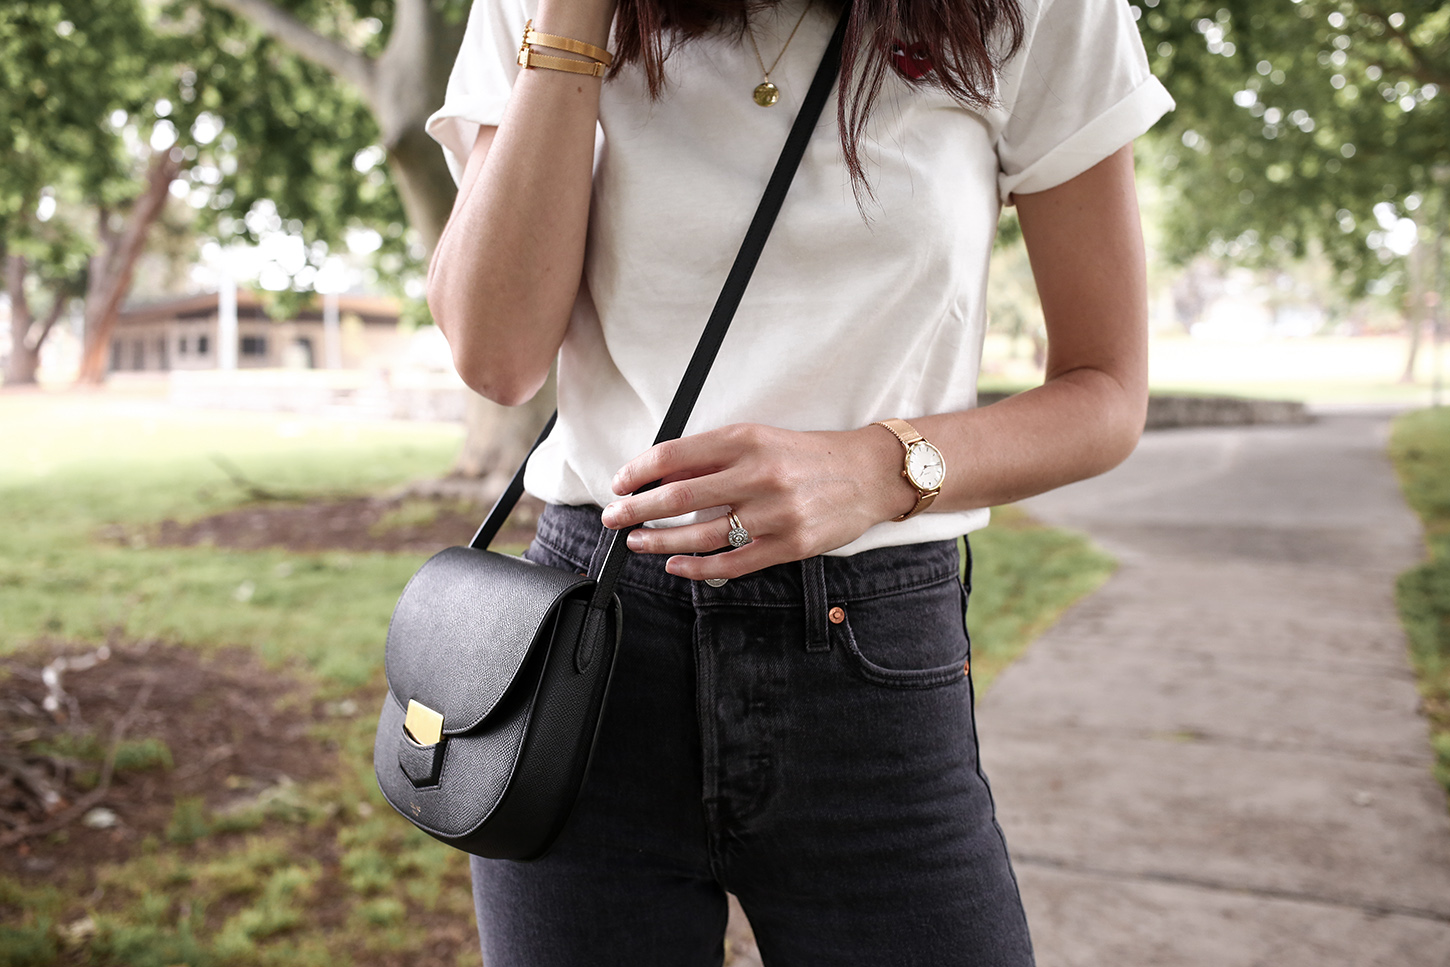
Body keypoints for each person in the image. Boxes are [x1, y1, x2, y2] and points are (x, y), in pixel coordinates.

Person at [423, 0, 1172, 960]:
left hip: (869, 658)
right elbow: (496, 356)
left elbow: (1106, 392)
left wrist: (879, 467)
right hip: (592, 646)